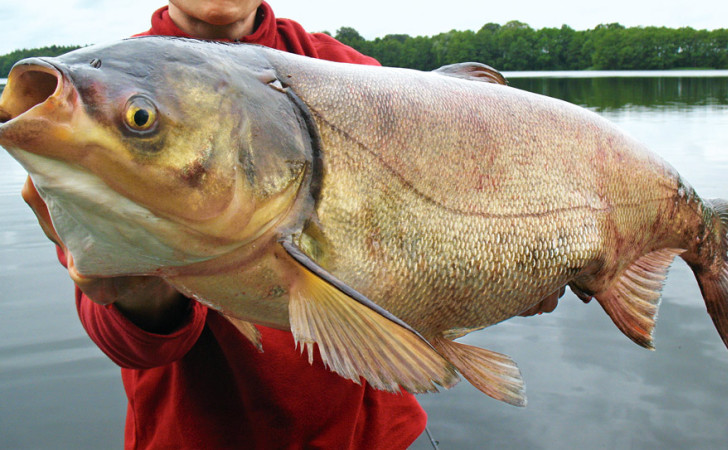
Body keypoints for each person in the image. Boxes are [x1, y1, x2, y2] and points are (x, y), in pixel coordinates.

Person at [21, 1, 428, 449]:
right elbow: (134, 347)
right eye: (142, 119)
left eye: (142, 119)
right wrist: (139, 295)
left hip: (367, 435)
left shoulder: (346, 68)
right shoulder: (101, 89)